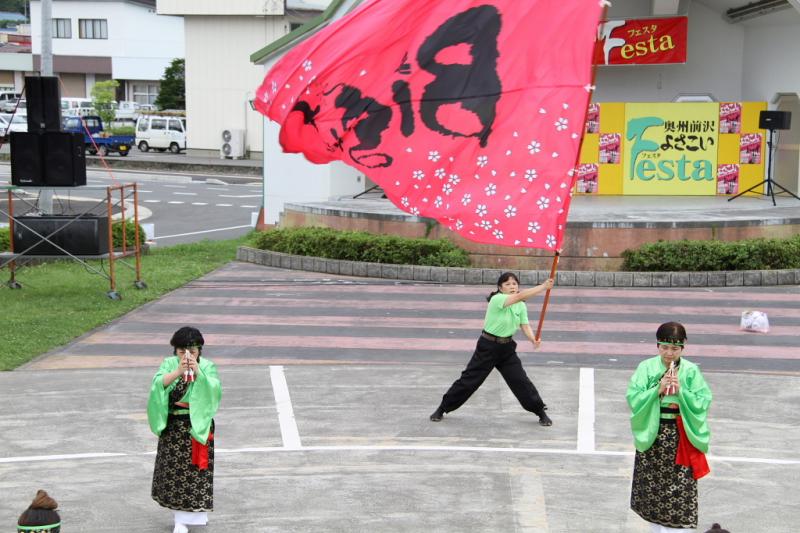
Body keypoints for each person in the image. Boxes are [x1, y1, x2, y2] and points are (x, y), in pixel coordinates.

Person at [430, 272, 555, 426]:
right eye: (507, 284)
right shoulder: (497, 299)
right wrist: (543, 287)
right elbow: (519, 296)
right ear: (500, 288)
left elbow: (525, 325)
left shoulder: (521, 305)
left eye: (514, 284)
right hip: (488, 347)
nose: (512, 286)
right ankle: (442, 408)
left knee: (520, 381)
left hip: (507, 349)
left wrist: (533, 339)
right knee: (469, 380)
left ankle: (540, 411)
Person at [627, 322, 713, 533]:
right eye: (664, 347)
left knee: (682, 487)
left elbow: (703, 400)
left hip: (680, 435)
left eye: (674, 348)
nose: (669, 353)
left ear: (683, 347)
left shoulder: (690, 370)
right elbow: (633, 397)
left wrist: (681, 391)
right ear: (658, 345)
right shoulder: (646, 367)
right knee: (653, 489)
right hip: (654, 434)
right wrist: (659, 389)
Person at [148, 326, 222, 533]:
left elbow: (214, 390)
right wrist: (178, 372)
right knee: (175, 475)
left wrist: (198, 373)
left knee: (198, 473)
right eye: (182, 351)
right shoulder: (169, 363)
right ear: (176, 350)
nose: (187, 355)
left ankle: (198, 515)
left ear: (199, 350)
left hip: (198, 426)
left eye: (193, 351)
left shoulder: (207, 366)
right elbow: (157, 385)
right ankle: (180, 520)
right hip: (174, 427)